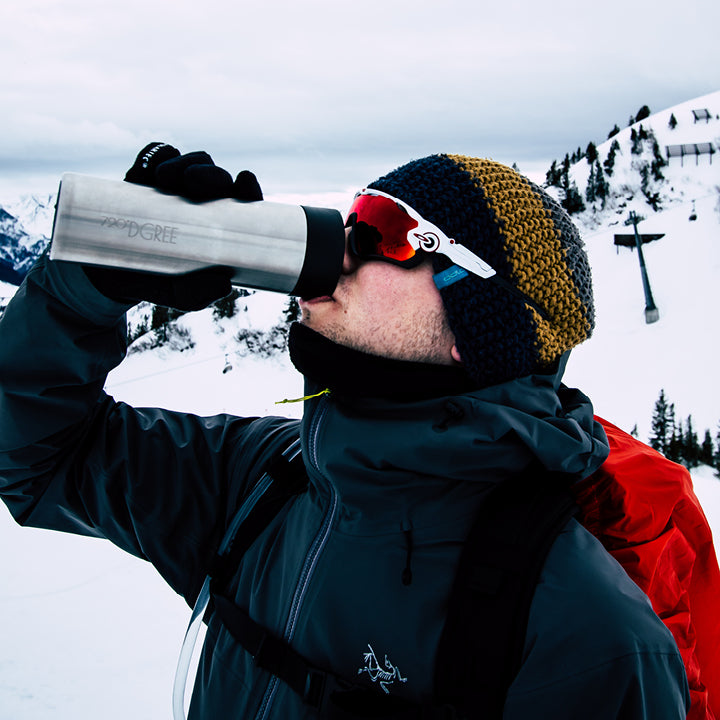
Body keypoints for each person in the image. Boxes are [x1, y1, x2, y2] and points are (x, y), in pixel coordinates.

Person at [0, 145, 691, 719]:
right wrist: (91, 285)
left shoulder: (591, 639)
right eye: (351, 218)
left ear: (479, 330)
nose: (341, 250)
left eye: (384, 231)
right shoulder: (265, 481)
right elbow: (40, 456)